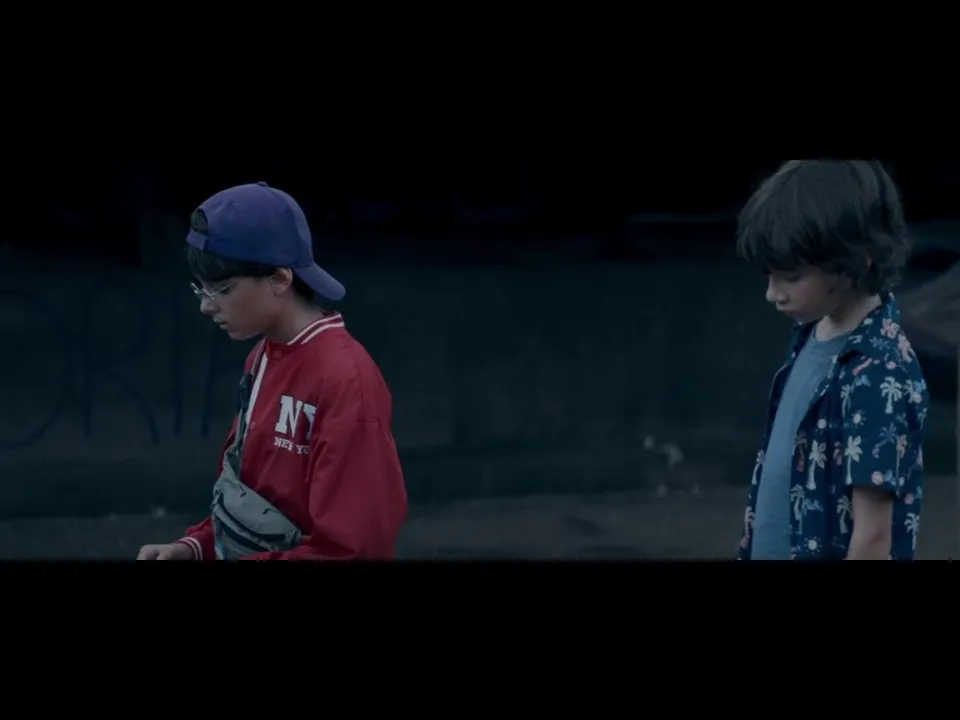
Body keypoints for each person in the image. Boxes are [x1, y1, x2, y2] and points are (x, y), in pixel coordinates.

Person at [137, 181, 407, 560]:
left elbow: (352, 550)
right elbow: (254, 499)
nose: (206, 307)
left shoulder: (346, 381)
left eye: (222, 290)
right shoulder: (261, 356)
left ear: (280, 278)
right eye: (201, 290)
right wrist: (197, 547)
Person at [735, 160, 929, 560]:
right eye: (770, 275)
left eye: (791, 277)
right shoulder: (811, 333)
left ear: (857, 262)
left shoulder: (878, 373)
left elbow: (873, 537)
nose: (772, 294)